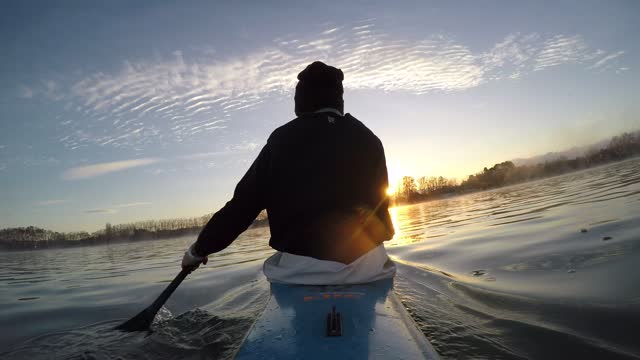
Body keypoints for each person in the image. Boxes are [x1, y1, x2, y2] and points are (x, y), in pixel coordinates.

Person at [182, 61, 396, 284]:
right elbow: (381, 201)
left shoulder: (282, 140)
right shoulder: (370, 139)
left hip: (302, 272)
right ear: (339, 98)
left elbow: (242, 207)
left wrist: (199, 250)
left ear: (301, 100)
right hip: (369, 267)